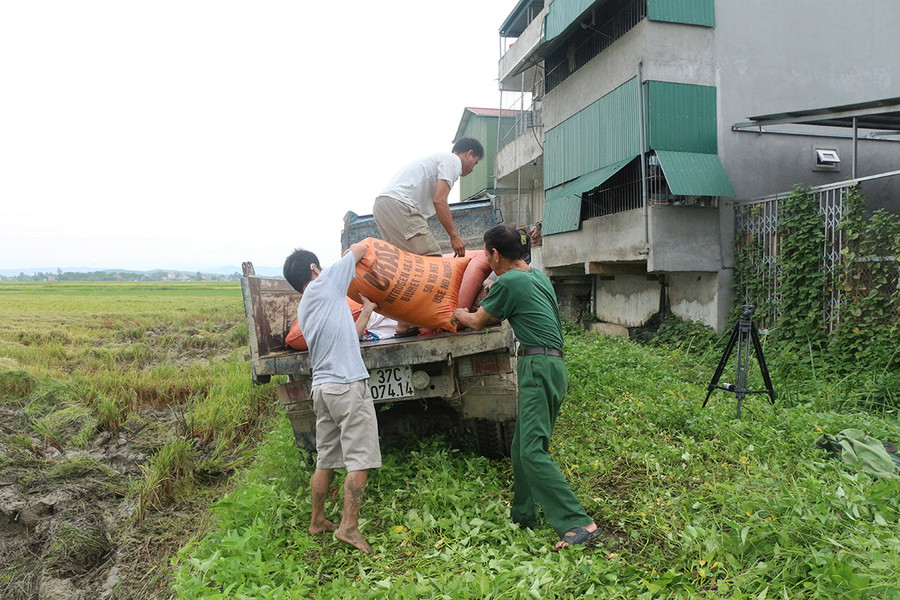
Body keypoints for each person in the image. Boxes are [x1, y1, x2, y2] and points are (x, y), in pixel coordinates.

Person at [452, 224, 602, 551]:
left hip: (536, 366)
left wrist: (457, 312)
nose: (487, 262)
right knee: (523, 447)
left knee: (532, 451)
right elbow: (503, 313)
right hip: (555, 366)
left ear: (494, 253)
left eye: (486, 253)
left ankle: (579, 522)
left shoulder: (509, 280)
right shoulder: (537, 277)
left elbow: (478, 322)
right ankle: (524, 514)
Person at [283, 243, 382, 554]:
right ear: (314, 269)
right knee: (360, 459)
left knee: (325, 459)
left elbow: (349, 337)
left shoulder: (308, 305)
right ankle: (348, 527)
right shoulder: (325, 283)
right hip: (346, 386)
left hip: (323, 390)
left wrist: (365, 311)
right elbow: (360, 248)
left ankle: (317, 521)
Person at [373, 137, 484, 259]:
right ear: (470, 153)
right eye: (476, 162)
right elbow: (439, 200)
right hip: (399, 204)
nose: (473, 169)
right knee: (431, 257)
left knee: (405, 261)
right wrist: (454, 237)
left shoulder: (437, 160)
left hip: (382, 204)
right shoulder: (453, 160)